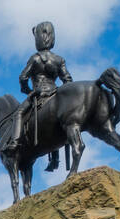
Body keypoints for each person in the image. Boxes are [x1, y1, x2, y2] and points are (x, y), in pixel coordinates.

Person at [17, 21, 73, 171]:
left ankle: (14, 142)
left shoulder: (35, 58)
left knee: (19, 113)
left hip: (39, 95)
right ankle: (55, 159)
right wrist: (61, 93)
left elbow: (22, 78)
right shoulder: (59, 59)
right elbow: (67, 80)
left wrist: (28, 91)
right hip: (55, 93)